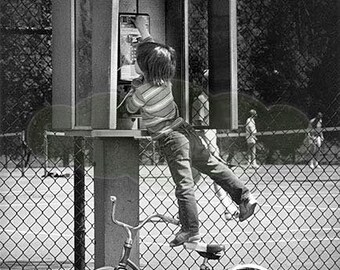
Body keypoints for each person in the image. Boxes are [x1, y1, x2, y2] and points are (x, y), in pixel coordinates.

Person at [125, 16, 257, 248]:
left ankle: (190, 230)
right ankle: (244, 195)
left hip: (172, 140)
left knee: (184, 185)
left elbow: (129, 108)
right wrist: (142, 29)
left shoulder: (142, 91)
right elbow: (152, 51)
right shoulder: (166, 82)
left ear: (145, 68)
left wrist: (135, 86)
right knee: (213, 166)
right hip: (186, 131)